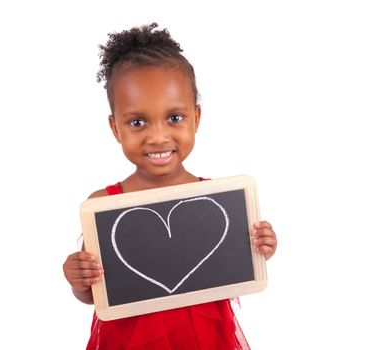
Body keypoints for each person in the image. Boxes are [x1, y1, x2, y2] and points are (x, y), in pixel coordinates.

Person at [63, 22, 277, 350]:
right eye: (137, 122)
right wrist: (78, 277)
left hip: (205, 340)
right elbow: (93, 293)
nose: (159, 136)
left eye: (174, 118)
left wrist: (260, 245)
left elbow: (233, 265)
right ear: (116, 128)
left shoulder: (217, 201)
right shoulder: (104, 204)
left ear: (196, 117)